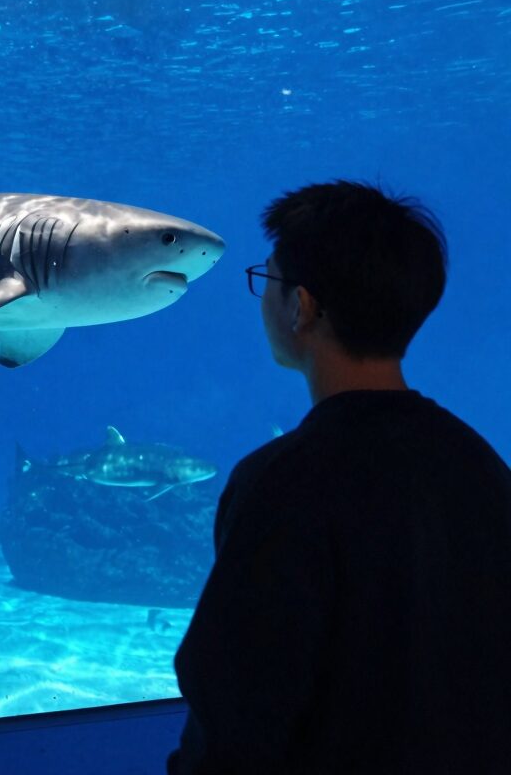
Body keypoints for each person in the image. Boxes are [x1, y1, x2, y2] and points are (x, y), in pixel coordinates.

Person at [166, 180, 511, 774]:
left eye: (266, 281)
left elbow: (234, 707)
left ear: (301, 306)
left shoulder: (281, 483)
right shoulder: (482, 466)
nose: (263, 299)